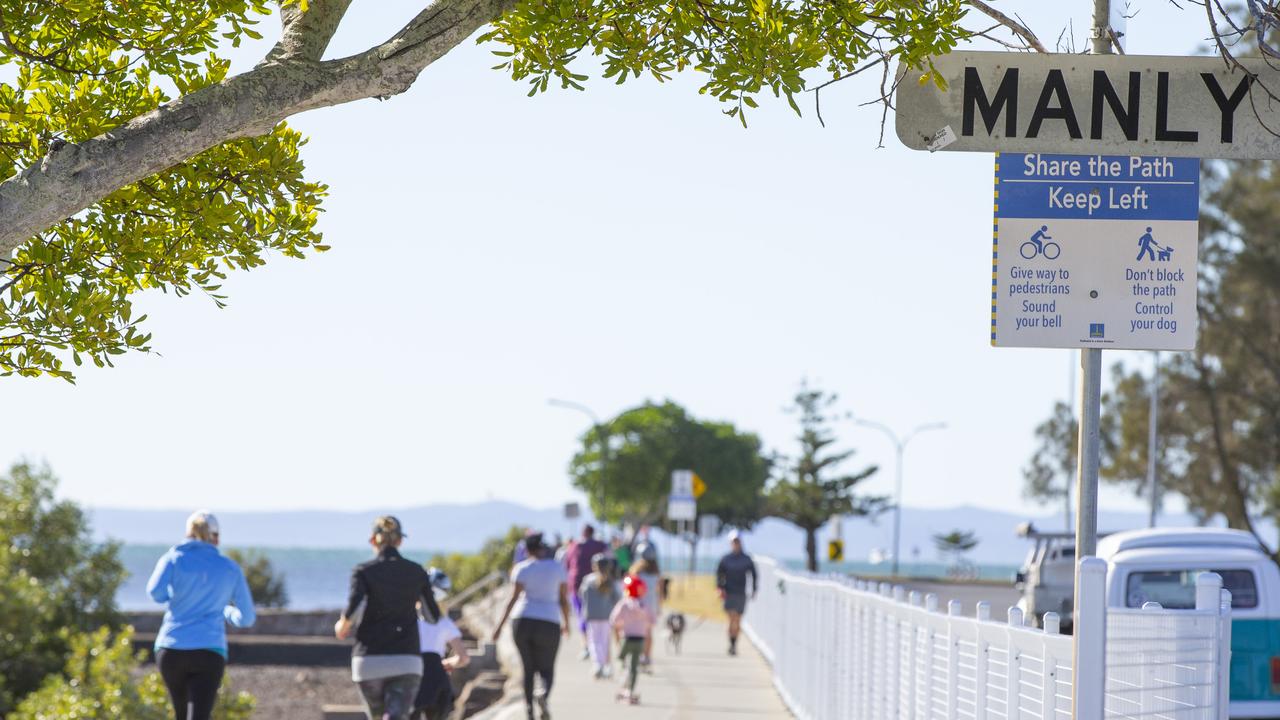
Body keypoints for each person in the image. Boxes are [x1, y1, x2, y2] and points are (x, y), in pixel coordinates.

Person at [147, 510, 257, 720]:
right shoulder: (230, 568)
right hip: (209, 650)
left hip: (171, 648)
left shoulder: (173, 558)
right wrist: (225, 610)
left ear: (188, 534)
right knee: (199, 715)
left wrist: (176, 597)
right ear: (216, 538)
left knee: (180, 713)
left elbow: (155, 593)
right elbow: (247, 618)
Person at [335, 516, 443, 720]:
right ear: (400, 541)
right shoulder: (417, 572)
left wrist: (342, 626)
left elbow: (353, 609)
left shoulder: (363, 571)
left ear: (373, 540)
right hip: (406, 659)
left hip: (368, 660)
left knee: (376, 716)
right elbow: (433, 617)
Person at [492, 532, 571, 720]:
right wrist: (567, 623)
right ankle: (542, 694)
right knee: (547, 668)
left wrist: (499, 626)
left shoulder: (522, 568)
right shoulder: (557, 568)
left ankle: (529, 712)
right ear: (544, 548)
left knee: (528, 668)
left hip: (522, 620)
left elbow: (512, 599)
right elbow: (563, 599)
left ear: (527, 550)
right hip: (549, 621)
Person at [412, 568, 470, 720]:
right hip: (437, 676)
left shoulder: (408, 621)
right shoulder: (444, 623)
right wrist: (445, 663)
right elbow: (463, 658)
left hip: (413, 674)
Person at [610, 574, 656, 705]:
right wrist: (643, 625)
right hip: (640, 640)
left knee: (622, 662)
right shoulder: (644, 605)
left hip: (627, 639)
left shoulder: (624, 604)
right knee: (634, 666)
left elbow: (613, 620)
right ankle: (630, 690)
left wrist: (621, 626)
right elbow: (652, 621)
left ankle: (624, 685)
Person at [563, 524, 607, 658]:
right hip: (597, 585)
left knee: (581, 614)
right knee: (595, 615)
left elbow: (567, 565)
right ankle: (598, 647)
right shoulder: (600, 545)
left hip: (576, 584)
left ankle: (586, 645)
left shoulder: (574, 546)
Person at [716, 531, 758, 656]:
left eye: (737, 541)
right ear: (731, 543)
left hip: (741, 592)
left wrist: (754, 589)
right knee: (731, 618)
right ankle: (731, 643)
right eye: (734, 542)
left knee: (738, 620)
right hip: (729, 592)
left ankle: (734, 644)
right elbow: (719, 574)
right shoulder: (726, 559)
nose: (736, 544)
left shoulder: (746, 559)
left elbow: (754, 574)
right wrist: (720, 588)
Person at [579, 553, 620, 678]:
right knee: (605, 641)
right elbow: (616, 598)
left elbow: (582, 595)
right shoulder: (611, 581)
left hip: (592, 615)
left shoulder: (588, 580)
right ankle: (606, 665)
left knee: (594, 640)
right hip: (606, 616)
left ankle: (598, 664)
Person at [627, 546, 661, 664]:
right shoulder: (656, 573)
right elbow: (659, 592)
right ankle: (647, 656)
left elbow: (629, 588)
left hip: (638, 605)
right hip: (651, 606)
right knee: (648, 633)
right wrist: (659, 607)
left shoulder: (637, 571)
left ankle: (639, 655)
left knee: (637, 631)